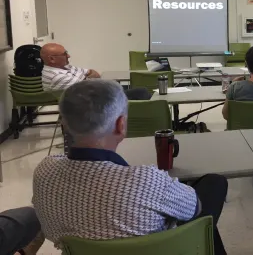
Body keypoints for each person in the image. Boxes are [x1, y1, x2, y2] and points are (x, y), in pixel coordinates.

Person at [31, 80, 229, 254]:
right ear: (121, 125)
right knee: (214, 184)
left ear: (64, 124)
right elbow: (194, 210)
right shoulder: (145, 180)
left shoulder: (45, 171)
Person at [40, 43, 150, 99]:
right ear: (52, 59)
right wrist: (87, 77)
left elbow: (94, 74)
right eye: (64, 54)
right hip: (94, 104)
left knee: (136, 90)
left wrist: (86, 78)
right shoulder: (56, 76)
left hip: (94, 97)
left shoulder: (65, 67)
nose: (68, 56)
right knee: (142, 92)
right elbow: (89, 85)